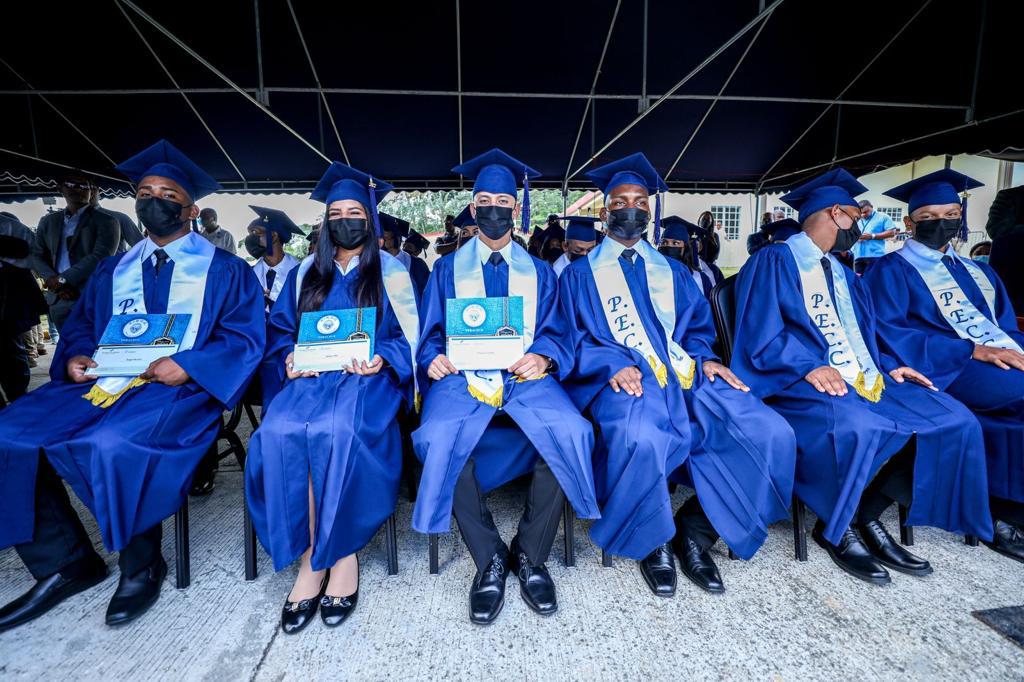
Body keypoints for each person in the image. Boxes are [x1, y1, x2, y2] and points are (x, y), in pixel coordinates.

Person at [0, 140, 265, 632]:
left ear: (190, 209)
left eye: (167, 192)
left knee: (113, 443)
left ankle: (141, 563)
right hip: (103, 380)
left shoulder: (225, 270)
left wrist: (190, 364)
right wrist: (76, 354)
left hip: (180, 390)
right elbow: (81, 325)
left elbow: (244, 337)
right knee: (8, 433)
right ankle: (66, 563)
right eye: (144, 191)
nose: (153, 200)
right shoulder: (113, 269)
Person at [730, 168, 993, 586]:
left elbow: (863, 333)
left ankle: (866, 513)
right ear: (836, 213)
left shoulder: (843, 272)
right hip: (796, 381)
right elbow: (761, 333)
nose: (861, 224)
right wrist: (808, 364)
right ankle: (840, 527)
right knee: (860, 424)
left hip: (862, 376)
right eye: (857, 215)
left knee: (953, 419)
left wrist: (889, 363)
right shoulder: (776, 259)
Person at [559, 152, 794, 596]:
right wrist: (611, 364)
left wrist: (705, 356)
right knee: (642, 438)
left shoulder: (674, 271)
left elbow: (697, 330)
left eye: (641, 200)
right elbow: (570, 339)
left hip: (684, 374)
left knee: (768, 430)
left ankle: (696, 531)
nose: (631, 207)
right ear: (605, 210)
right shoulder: (578, 276)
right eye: (621, 200)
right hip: (622, 377)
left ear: (650, 209)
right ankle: (654, 541)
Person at [412, 149, 599, 625]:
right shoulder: (446, 270)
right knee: (437, 437)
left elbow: (559, 331)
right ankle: (489, 555)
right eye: (485, 201)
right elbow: (430, 332)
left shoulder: (538, 271)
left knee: (571, 431)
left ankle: (531, 554)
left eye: (503, 201)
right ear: (474, 210)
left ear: (516, 210)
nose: (494, 209)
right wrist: (432, 356)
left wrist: (544, 355)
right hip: (462, 377)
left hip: (522, 376)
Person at [246, 162, 419, 634]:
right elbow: (280, 332)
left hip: (366, 380)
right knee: (279, 431)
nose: (345, 220)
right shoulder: (306, 273)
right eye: (336, 212)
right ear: (325, 223)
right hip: (309, 380)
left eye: (354, 211)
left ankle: (340, 555)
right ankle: (310, 556)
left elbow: (410, 338)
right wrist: (287, 360)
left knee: (338, 430)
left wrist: (383, 358)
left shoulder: (393, 274)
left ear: (371, 219)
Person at [864, 169, 1024, 563]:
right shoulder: (891, 270)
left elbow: (1001, 326)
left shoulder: (980, 270)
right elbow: (889, 332)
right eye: (929, 217)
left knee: (1011, 413)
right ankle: (1002, 514)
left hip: (991, 361)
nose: (943, 223)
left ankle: (1004, 510)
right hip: (942, 366)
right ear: (909, 223)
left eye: (952, 213)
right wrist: (970, 351)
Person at [30, 172, 120, 333]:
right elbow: (36, 255)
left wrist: (63, 279)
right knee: (67, 350)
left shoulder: (107, 221)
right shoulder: (48, 221)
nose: (77, 189)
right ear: (60, 188)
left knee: (97, 347)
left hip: (92, 294)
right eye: (71, 184)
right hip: (59, 297)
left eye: (83, 185)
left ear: (92, 190)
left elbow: (100, 256)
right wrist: (55, 283)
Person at [0, 213, 47, 406]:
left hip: (7, 299)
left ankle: (19, 404)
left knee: (11, 353)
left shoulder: (10, 226)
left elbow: (32, 256)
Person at [245, 205, 304, 314]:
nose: (249, 238)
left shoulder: (301, 273)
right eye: (249, 234)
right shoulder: (248, 274)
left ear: (273, 236)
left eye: (255, 232)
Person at [661, 216, 713, 296]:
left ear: (685, 248)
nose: (669, 246)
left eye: (675, 243)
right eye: (664, 242)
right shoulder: (652, 274)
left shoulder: (700, 279)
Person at [381, 213, 430, 294]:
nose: (381, 241)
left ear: (398, 239)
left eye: (385, 238)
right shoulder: (372, 264)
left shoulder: (417, 264)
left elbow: (427, 293)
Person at [852, 199, 898, 274]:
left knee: (874, 280)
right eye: (861, 213)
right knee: (860, 281)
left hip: (875, 256)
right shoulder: (857, 218)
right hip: (858, 255)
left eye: (865, 212)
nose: (863, 215)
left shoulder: (883, 217)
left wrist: (872, 236)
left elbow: (892, 232)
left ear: (872, 207)